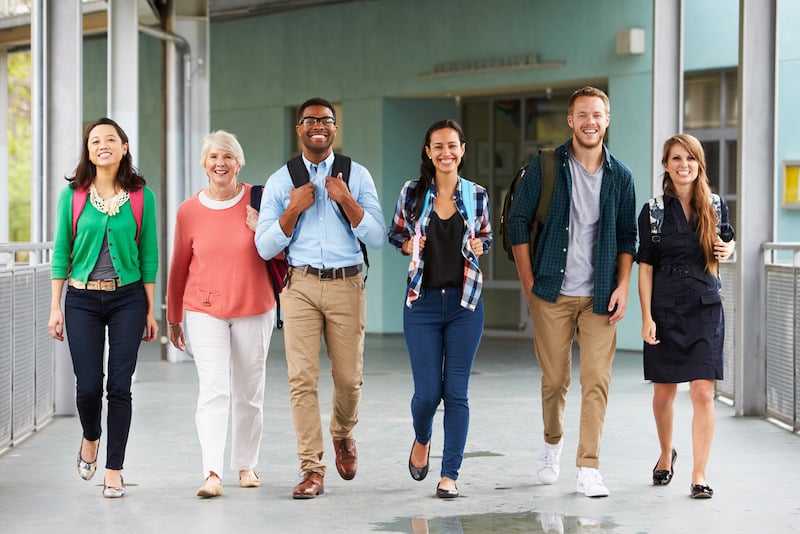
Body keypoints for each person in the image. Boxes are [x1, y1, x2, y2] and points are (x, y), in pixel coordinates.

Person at [507, 86, 637, 497]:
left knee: (596, 379)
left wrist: (623, 285)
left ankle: (589, 466)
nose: (590, 121)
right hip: (551, 290)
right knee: (555, 379)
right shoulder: (546, 166)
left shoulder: (622, 176)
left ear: (607, 119)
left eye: (597, 114)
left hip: (600, 294)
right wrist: (529, 284)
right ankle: (552, 444)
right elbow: (516, 223)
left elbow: (628, 237)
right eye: (582, 114)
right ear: (570, 120)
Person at [255, 97, 386, 499]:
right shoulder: (282, 181)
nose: (318, 126)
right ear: (299, 129)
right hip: (301, 286)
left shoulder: (357, 175)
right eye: (310, 120)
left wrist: (346, 200)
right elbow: (263, 246)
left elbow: (378, 237)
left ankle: (343, 433)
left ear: (334, 128)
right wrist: (292, 211)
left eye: (326, 120)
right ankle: (311, 468)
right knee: (301, 380)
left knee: (349, 379)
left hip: (348, 284)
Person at [47, 117, 159, 498]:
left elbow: (149, 254)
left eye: (111, 139)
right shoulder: (73, 196)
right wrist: (55, 306)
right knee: (89, 387)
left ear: (124, 147)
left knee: (120, 386)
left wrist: (149, 308)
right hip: (81, 299)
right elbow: (61, 251)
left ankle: (114, 469)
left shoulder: (142, 196)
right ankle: (90, 436)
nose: (103, 144)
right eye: (95, 140)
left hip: (127, 297)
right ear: (89, 151)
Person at [167, 130, 277, 498]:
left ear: (239, 162)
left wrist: (261, 227)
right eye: (214, 157)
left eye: (227, 157)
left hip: (254, 306)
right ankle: (212, 472)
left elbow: (284, 254)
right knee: (214, 391)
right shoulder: (189, 211)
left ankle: (246, 465)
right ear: (204, 164)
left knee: (249, 391)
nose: (220, 163)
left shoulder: (260, 202)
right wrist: (174, 315)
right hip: (204, 310)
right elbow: (179, 265)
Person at [388, 119, 492, 498]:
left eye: (453, 145)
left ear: (462, 150)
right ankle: (422, 437)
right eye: (438, 146)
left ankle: (450, 474)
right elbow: (396, 235)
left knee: (457, 393)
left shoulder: (477, 194)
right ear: (428, 152)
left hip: (466, 303)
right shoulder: (413, 193)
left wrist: (482, 246)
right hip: (423, 304)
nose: (446, 152)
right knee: (429, 394)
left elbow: (485, 236)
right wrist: (412, 247)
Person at [637, 134, 735, 499]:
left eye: (690, 158)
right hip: (664, 309)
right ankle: (666, 453)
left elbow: (727, 240)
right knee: (664, 394)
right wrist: (646, 316)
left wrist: (729, 248)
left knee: (703, 393)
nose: (684, 165)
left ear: (699, 164)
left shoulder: (716, 206)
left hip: (705, 307)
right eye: (676, 158)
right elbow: (645, 266)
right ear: (666, 165)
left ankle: (699, 473)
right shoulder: (654, 211)